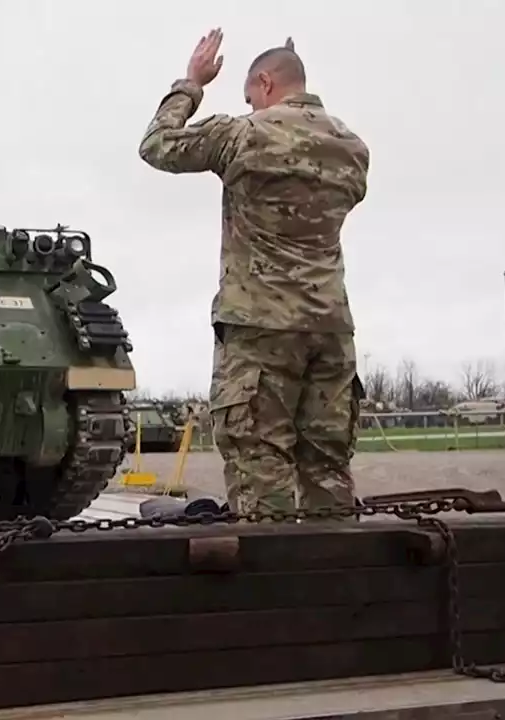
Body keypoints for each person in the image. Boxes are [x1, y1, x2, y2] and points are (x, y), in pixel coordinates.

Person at [137, 29, 371, 517]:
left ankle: (273, 578)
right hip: (329, 329)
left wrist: (192, 84)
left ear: (265, 83)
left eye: (251, 97)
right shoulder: (352, 148)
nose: (251, 107)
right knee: (328, 466)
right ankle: (341, 576)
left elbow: (157, 145)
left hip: (259, 330)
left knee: (259, 465)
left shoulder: (242, 135)